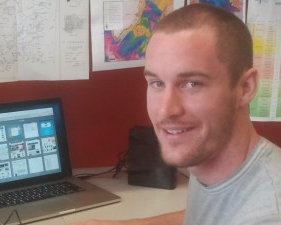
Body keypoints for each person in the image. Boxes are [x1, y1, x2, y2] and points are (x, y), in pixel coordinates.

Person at [71, 3, 281, 225]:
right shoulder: (211, 159)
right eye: (157, 83)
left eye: (192, 83)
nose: (165, 109)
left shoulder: (267, 215)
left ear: (245, 88)